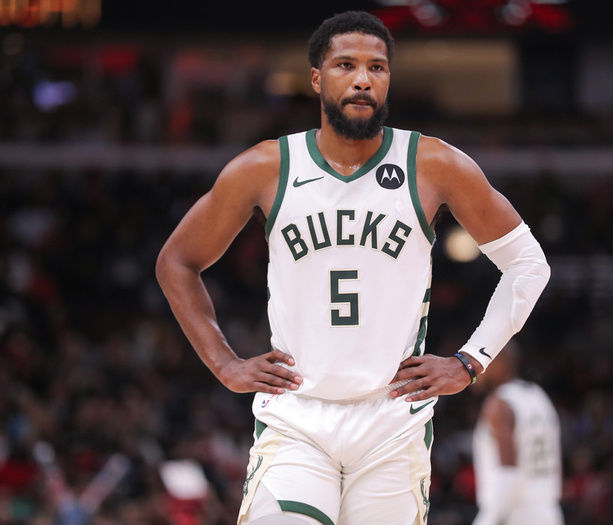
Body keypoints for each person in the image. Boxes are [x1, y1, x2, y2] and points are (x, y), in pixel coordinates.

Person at [156, 10, 550, 525]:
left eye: (377, 67)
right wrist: (224, 364)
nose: (363, 78)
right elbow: (177, 262)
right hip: (298, 416)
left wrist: (470, 360)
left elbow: (527, 263)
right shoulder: (265, 167)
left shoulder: (433, 164)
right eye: (346, 64)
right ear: (317, 78)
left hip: (392, 419)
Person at [472, 344, 563, 525]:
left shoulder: (499, 404)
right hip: (549, 511)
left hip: (516, 513)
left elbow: (508, 474)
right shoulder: (538, 396)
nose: (473, 369)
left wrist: (487, 520)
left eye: (477, 360)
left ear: (498, 361)